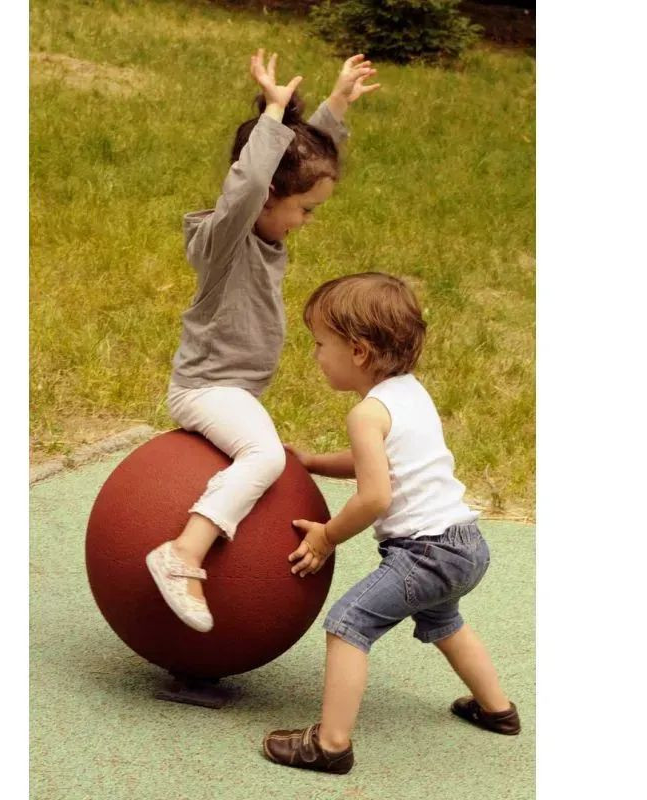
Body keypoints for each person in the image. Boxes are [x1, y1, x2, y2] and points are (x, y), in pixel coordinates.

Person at [146, 50, 381, 632]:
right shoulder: (224, 239)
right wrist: (273, 114)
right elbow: (252, 180)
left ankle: (190, 547)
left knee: (265, 451)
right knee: (265, 455)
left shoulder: (269, 221)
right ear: (269, 195)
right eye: (303, 209)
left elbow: (296, 161)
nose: (306, 221)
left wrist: (336, 105)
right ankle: (183, 553)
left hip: (234, 389)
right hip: (205, 387)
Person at [262, 272, 520, 775]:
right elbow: (379, 462)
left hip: (426, 554)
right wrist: (313, 461)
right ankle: (498, 710)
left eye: (319, 344)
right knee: (445, 622)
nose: (314, 355)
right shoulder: (409, 393)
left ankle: (330, 744)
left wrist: (326, 534)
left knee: (347, 623)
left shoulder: (366, 413)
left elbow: (375, 495)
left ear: (357, 351)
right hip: (466, 545)